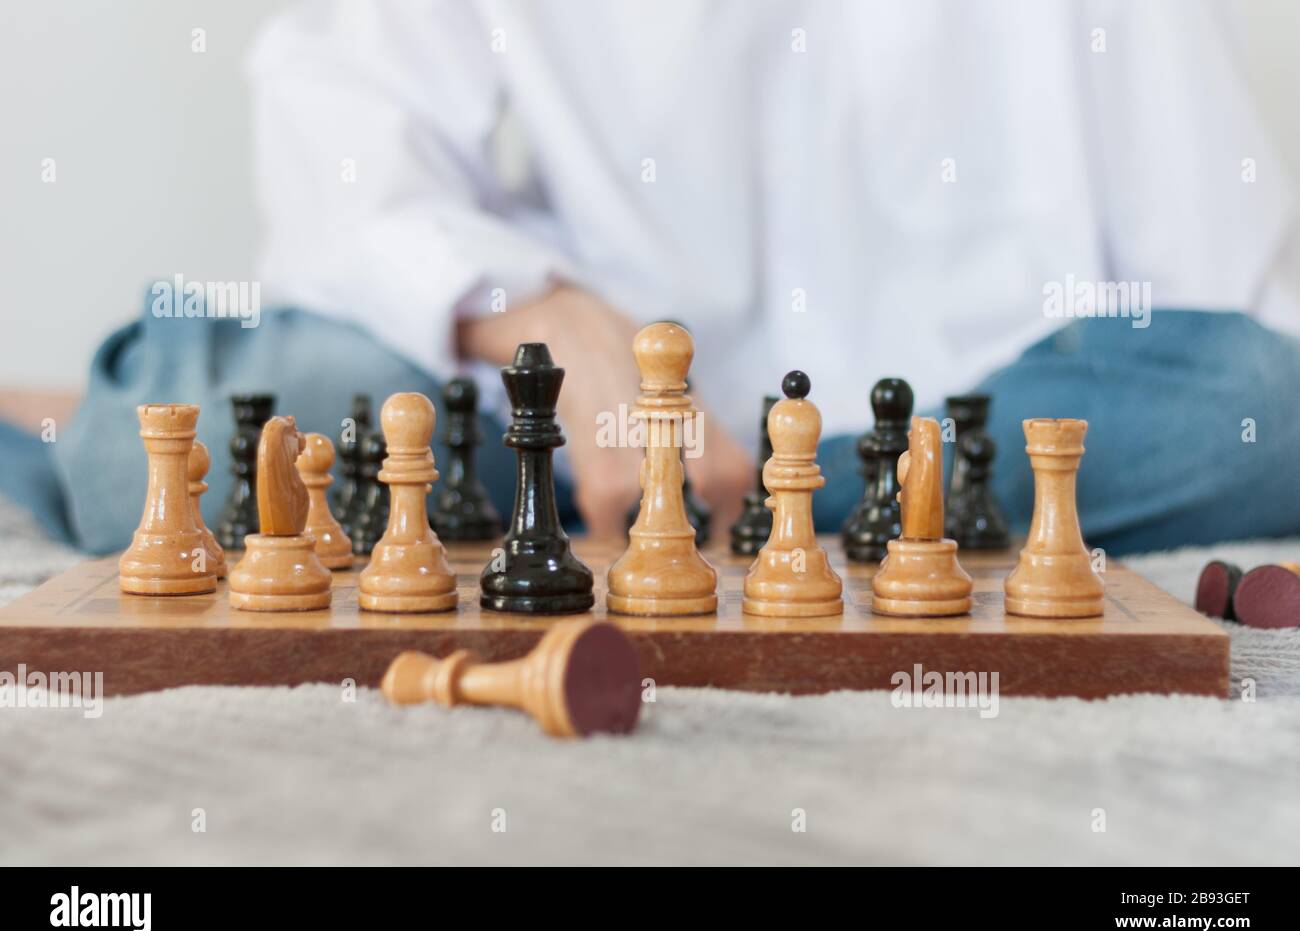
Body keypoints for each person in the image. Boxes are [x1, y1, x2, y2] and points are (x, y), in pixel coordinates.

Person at [5, 0, 1299, 555]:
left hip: (973, 421)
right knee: (149, 455)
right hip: (558, 419)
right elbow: (340, 146)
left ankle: (757, 510)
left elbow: (1241, 319)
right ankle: (794, 517)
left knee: (1262, 405)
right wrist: (533, 315)